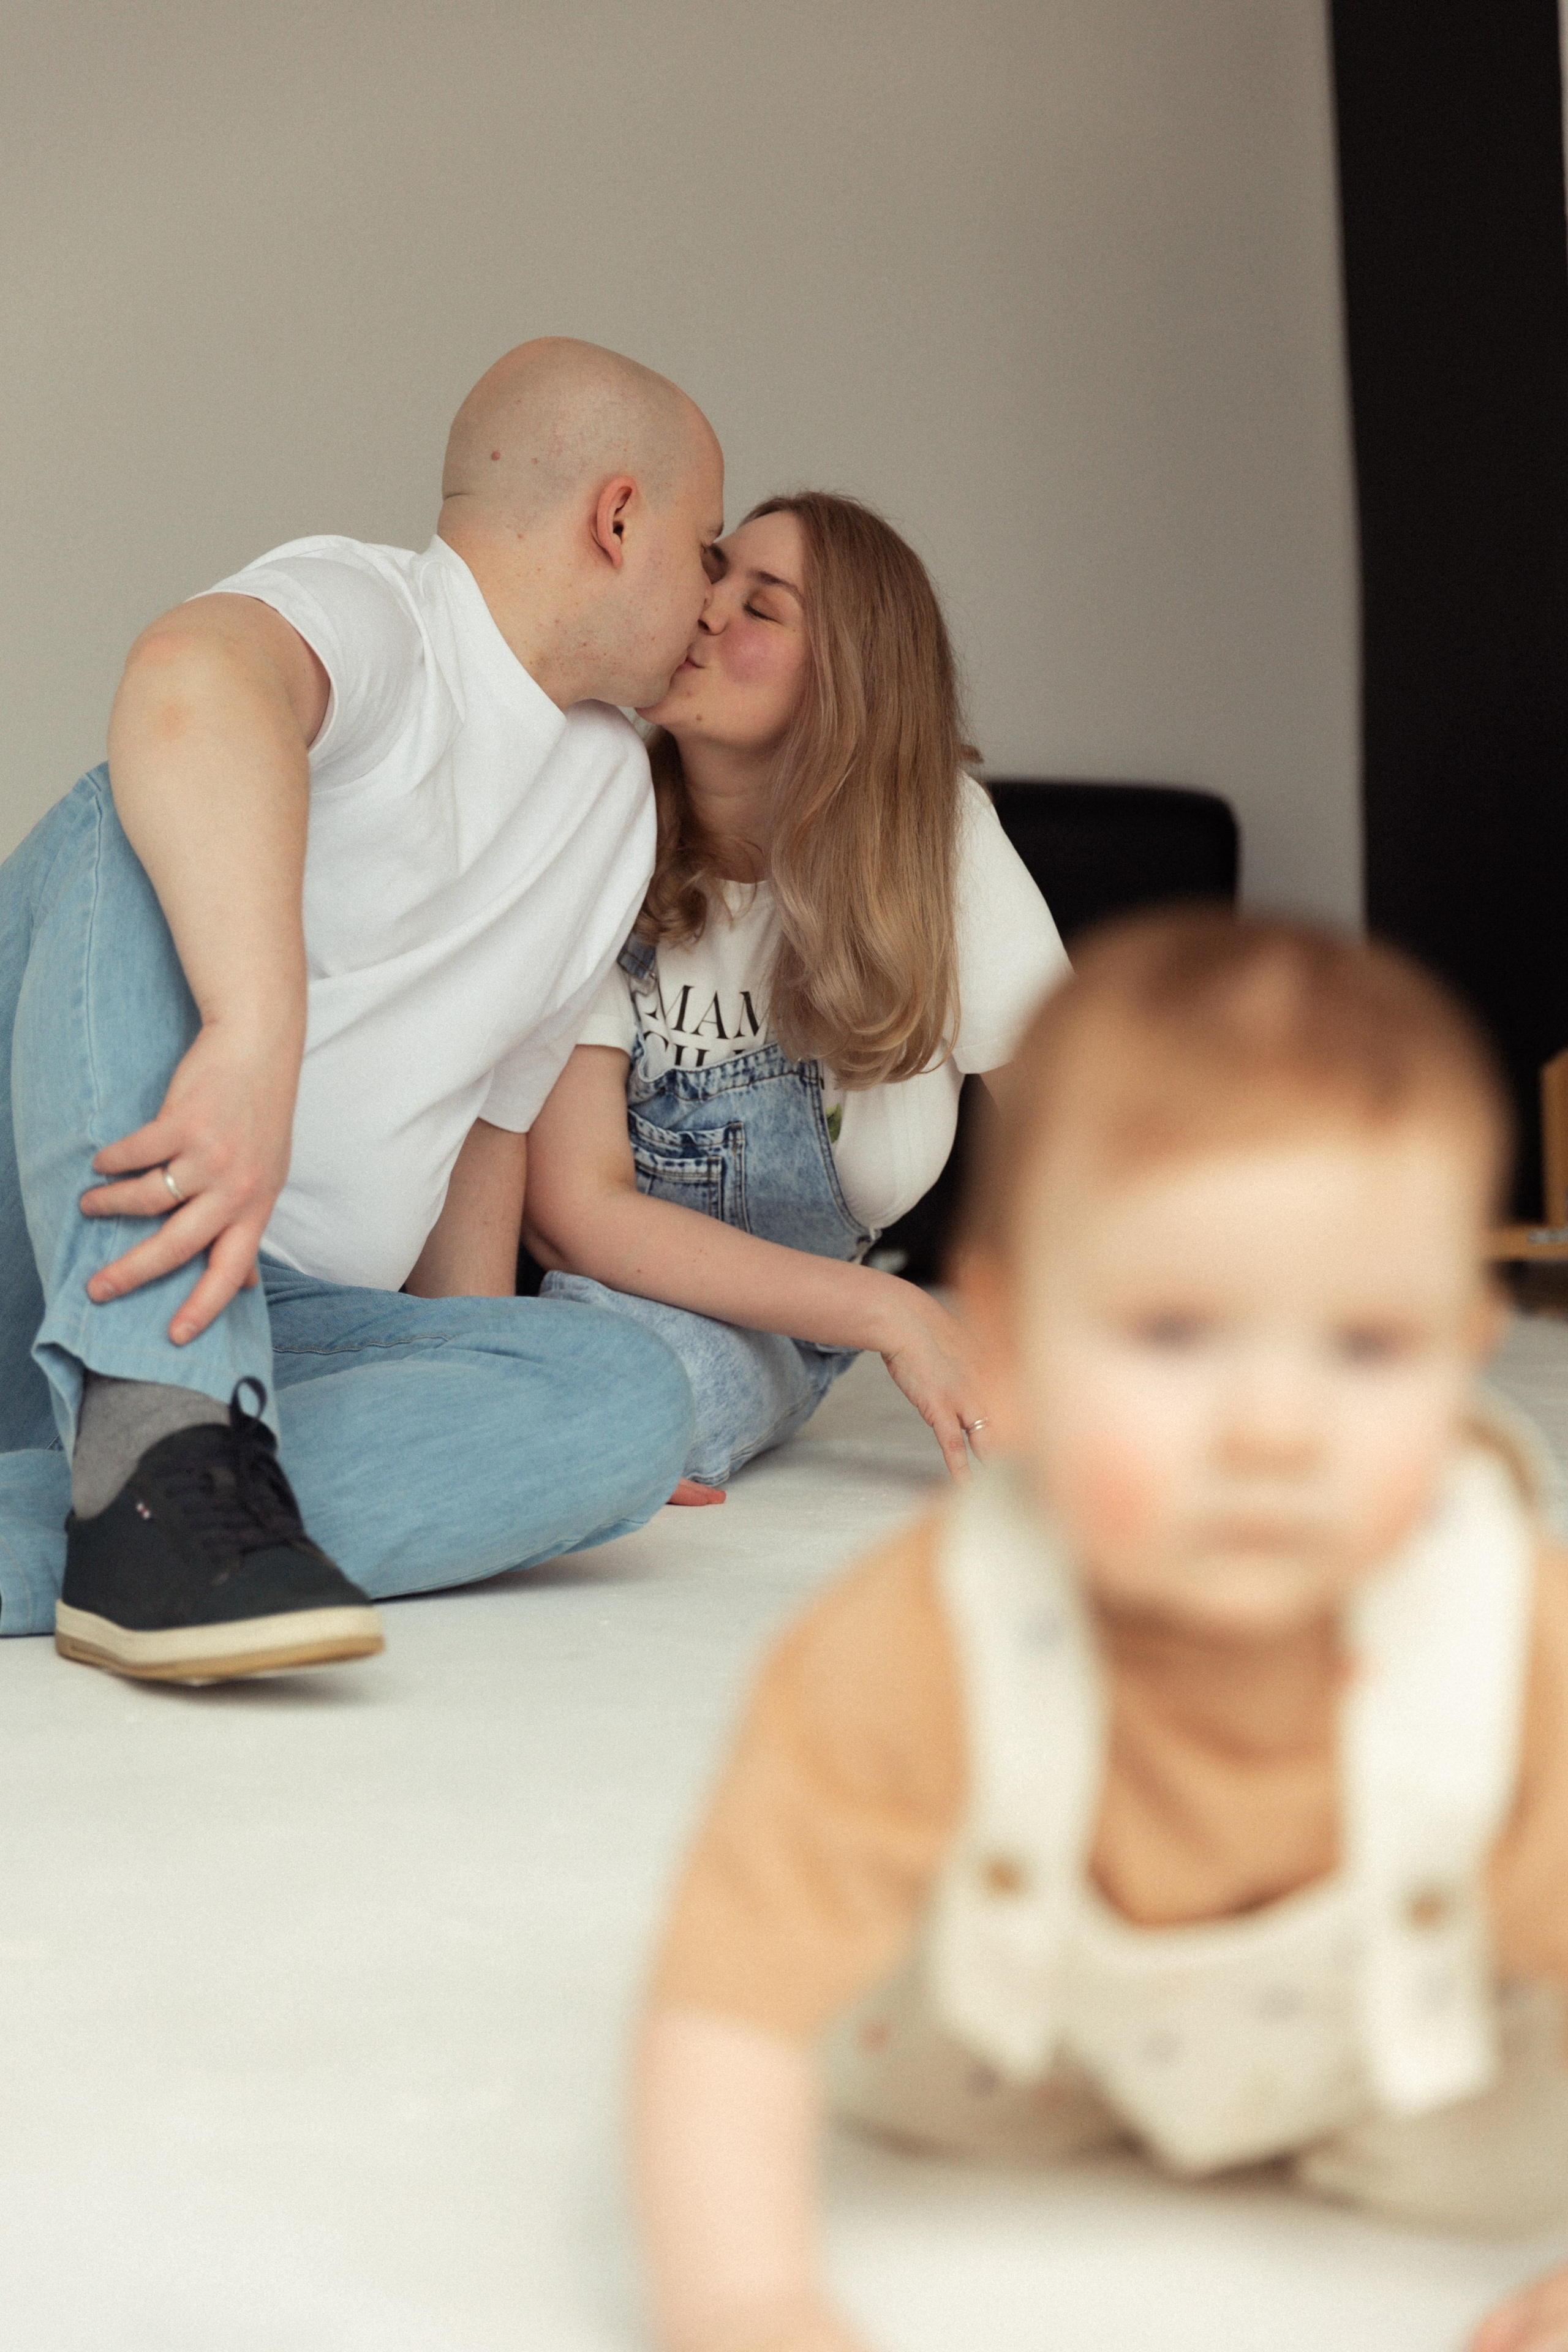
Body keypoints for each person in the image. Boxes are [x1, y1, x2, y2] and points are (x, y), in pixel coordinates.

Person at [632, 910, 1568, 2352]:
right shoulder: (926, 1631)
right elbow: (727, 2005)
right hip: (1027, 2035)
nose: (1272, 1429)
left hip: (1398, 2038)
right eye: (1174, 1332)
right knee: (876, 2051)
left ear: (1459, 1353)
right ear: (1008, 1338)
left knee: (1493, 2153)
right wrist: (747, 2304)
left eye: (1364, 1346)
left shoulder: (1506, 1634)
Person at [0, 337, 725, 1681]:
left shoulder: (613, 803)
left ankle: (160, 1495)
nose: (713, 595)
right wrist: (253, 1034)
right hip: (50, 1236)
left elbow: (487, 1136)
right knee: (122, 820)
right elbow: (187, 679)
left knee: (623, 1400)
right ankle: (155, 1438)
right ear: (617, 519)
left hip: (284, 1324)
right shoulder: (379, 611)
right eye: (707, 547)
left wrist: (487, 1398)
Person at [522, 492, 1069, 1498]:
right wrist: (896, 1314)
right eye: (714, 572)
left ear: (848, 682)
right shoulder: (597, 828)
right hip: (559, 1289)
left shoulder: (938, 843)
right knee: (571, 1384)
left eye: (762, 608)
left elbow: (1083, 1135)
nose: (706, 608)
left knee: (623, 1399)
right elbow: (574, 1209)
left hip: (782, 1330)